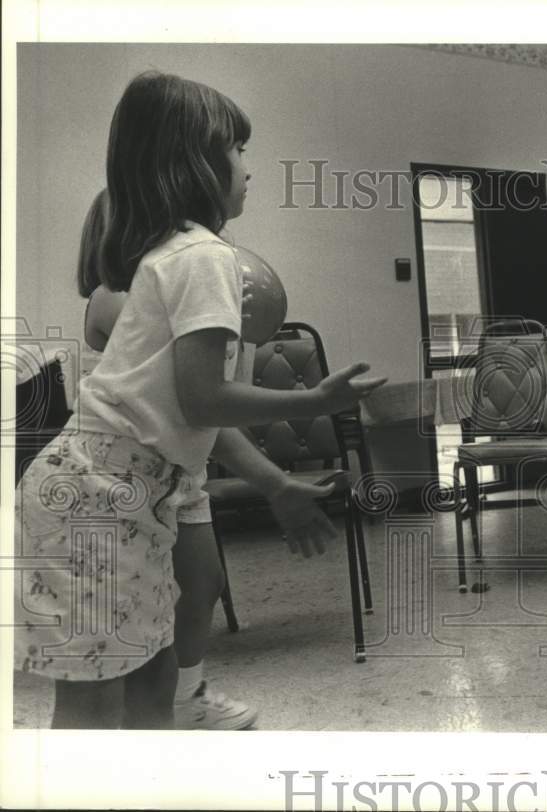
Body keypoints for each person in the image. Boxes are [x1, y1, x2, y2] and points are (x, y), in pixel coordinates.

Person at [14, 71, 386, 729]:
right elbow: (205, 398)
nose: (249, 167)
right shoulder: (205, 255)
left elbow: (189, 409)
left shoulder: (175, 254)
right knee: (93, 703)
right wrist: (315, 401)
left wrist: (275, 484)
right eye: (237, 149)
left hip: (123, 490)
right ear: (195, 161)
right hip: (102, 495)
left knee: (157, 670)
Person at [76, 189, 257, 729]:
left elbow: (219, 395)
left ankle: (186, 698)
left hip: (178, 469)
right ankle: (156, 711)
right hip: (129, 470)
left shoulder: (172, 284)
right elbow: (193, 395)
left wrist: (231, 333)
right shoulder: (115, 297)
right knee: (140, 612)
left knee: (203, 581)